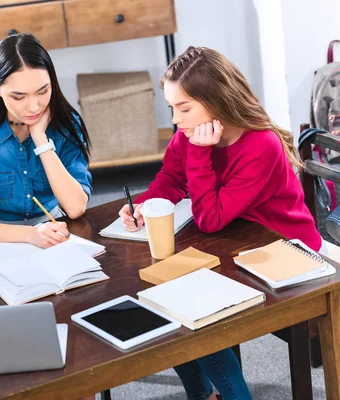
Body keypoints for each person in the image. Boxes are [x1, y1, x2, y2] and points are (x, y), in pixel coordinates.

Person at [119, 46, 320, 399]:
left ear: (216, 101)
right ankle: (203, 395)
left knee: (192, 308)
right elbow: (171, 177)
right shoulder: (191, 132)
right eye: (172, 108)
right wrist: (146, 204)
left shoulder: (261, 145)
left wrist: (199, 153)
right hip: (238, 242)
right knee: (161, 295)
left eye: (184, 108)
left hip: (284, 252)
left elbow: (209, 219)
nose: (175, 120)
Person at [0, 33, 92, 248]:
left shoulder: (65, 124)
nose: (34, 107)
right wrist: (30, 234)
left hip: (53, 229)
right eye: (19, 97)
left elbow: (75, 208)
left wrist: (40, 139)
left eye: (42, 91)